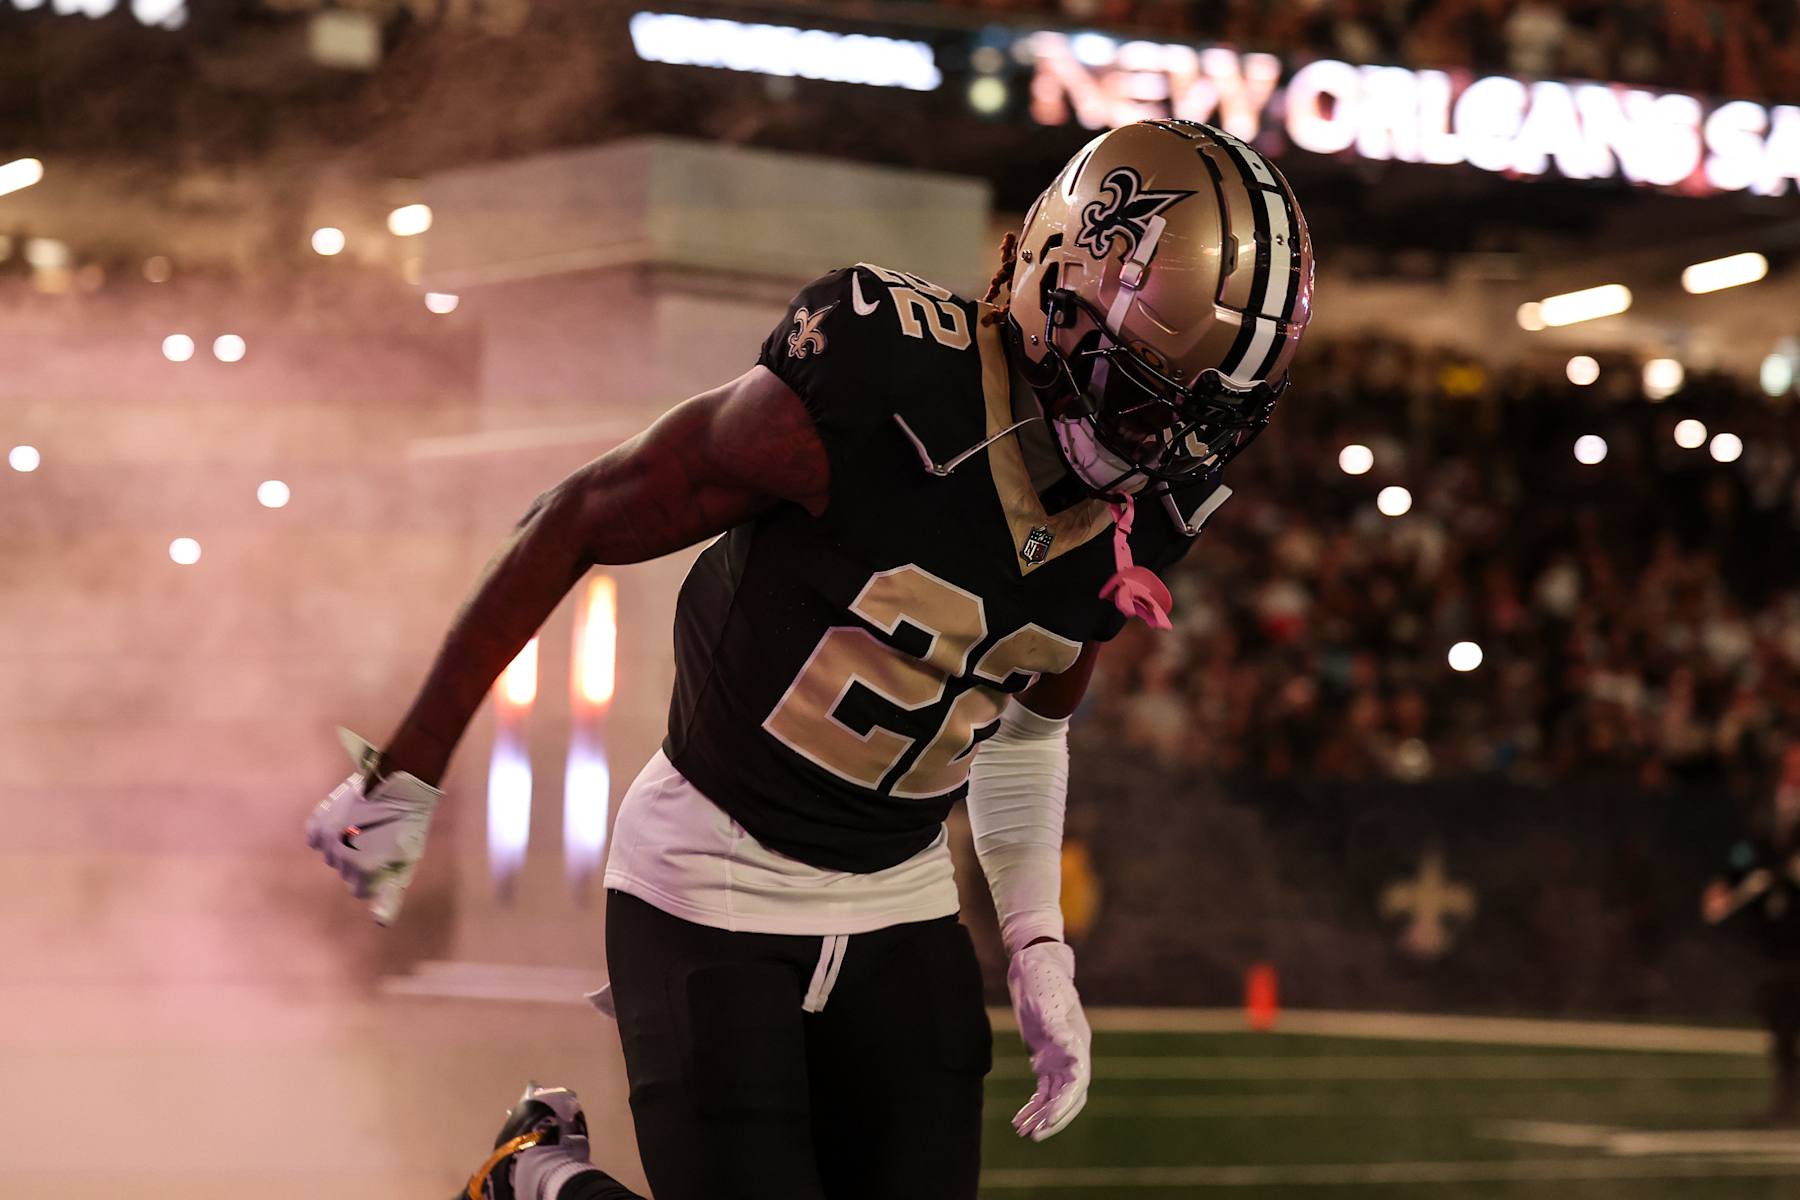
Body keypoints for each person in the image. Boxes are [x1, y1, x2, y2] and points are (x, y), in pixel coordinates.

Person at [308, 119, 1314, 1200]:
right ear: (1059, 287)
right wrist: (406, 769)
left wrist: (1035, 944)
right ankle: (538, 1181)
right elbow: (577, 519)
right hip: (711, 879)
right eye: (1148, 393)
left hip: (899, 894)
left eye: (1204, 412)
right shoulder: (884, 383)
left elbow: (1030, 729)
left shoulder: (1155, 508)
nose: (1164, 445)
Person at [1703, 742, 1800, 1126]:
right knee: (1781, 1020)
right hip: (1774, 935)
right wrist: (1725, 883)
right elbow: (1745, 854)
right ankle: (1786, 1102)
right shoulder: (1767, 808)